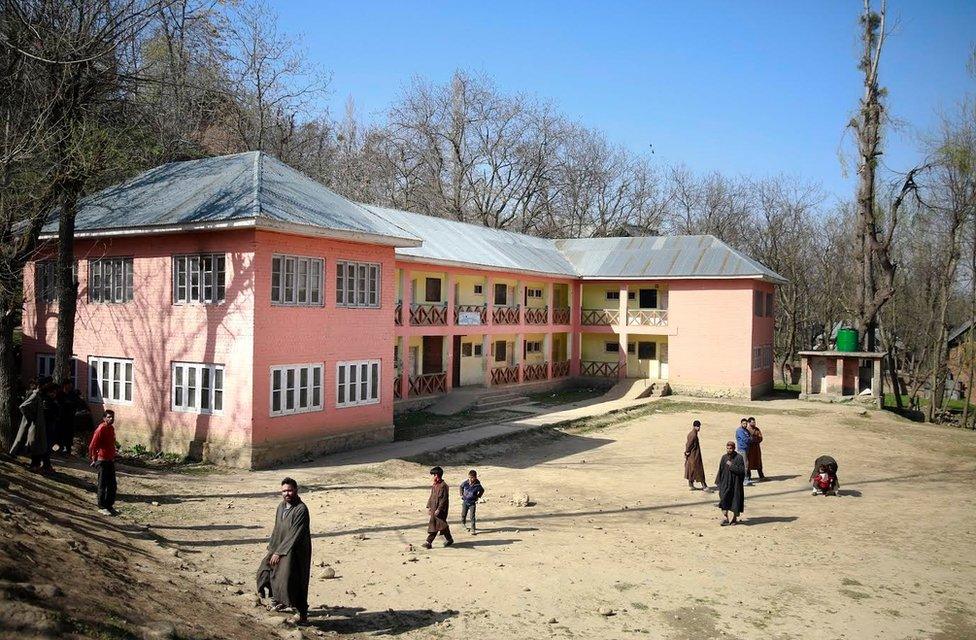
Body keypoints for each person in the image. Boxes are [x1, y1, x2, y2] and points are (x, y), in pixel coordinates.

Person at [256, 478, 311, 624]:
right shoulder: (281, 507)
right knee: (265, 570)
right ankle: (277, 600)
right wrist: (272, 548)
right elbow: (277, 529)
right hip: (279, 547)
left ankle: (301, 613)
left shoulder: (301, 509)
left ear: (296, 490)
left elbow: (294, 533)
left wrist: (279, 553)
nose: (287, 493)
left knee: (292, 579)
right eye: (284, 491)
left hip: (296, 551)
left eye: (290, 490)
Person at [10, 379, 53, 472]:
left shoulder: (40, 396)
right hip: (35, 426)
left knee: (40, 446)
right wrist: (32, 417)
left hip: (39, 426)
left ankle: (44, 465)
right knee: (36, 445)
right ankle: (35, 466)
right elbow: (23, 406)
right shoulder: (35, 395)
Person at [88, 410, 118, 515]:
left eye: (112, 417)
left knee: (112, 485)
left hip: (110, 460)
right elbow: (93, 445)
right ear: (104, 418)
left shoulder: (111, 428)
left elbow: (111, 443)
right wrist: (93, 458)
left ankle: (109, 506)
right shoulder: (101, 429)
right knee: (102, 484)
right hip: (102, 460)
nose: (111, 419)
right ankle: (101, 506)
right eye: (109, 417)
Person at [715, 441, 746, 526]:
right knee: (723, 499)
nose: (729, 450)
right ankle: (725, 517)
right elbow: (720, 470)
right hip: (725, 483)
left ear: (734, 448)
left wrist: (732, 466)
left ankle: (734, 518)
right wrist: (718, 482)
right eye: (728, 448)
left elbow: (742, 471)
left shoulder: (739, 458)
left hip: (735, 484)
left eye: (731, 448)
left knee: (735, 501)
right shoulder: (724, 457)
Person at [424, 466, 453, 548]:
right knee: (441, 525)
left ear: (437, 475)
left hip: (441, 510)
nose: (433, 477)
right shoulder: (434, 485)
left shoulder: (444, 486)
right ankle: (449, 539)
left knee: (437, 525)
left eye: (434, 475)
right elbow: (431, 496)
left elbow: (444, 499)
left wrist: (439, 509)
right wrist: (429, 507)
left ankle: (428, 542)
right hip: (434, 508)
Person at [55, 381, 83, 456]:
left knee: (69, 435)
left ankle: (68, 450)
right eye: (68, 385)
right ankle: (60, 448)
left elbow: (77, 403)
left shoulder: (72, 394)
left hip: (70, 418)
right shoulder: (60, 394)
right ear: (64, 385)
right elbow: (57, 404)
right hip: (61, 418)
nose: (70, 387)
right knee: (60, 434)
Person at [684, 420, 707, 490]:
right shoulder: (693, 435)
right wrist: (687, 452)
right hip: (694, 456)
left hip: (693, 455)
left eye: (699, 426)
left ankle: (691, 485)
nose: (699, 428)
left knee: (691, 470)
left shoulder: (693, 433)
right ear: (695, 426)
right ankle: (704, 486)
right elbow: (688, 444)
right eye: (698, 426)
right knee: (699, 470)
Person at [459, 470, 485, 534]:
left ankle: (473, 529)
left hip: (472, 503)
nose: (470, 479)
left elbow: (482, 490)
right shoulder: (466, 483)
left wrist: (478, 496)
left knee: (472, 516)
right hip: (465, 501)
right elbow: (461, 487)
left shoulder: (477, 485)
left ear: (475, 477)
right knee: (463, 514)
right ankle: (463, 523)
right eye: (469, 477)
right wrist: (461, 494)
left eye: (472, 477)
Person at [735, 418, 753, 486]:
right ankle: (744, 479)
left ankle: (746, 478)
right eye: (743, 423)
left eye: (746, 424)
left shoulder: (746, 430)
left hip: (747, 449)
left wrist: (749, 438)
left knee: (746, 464)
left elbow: (751, 438)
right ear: (741, 423)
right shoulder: (739, 430)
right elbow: (745, 439)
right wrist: (749, 439)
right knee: (745, 464)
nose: (745, 425)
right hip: (742, 449)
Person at [746, 417, 765, 481]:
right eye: (752, 422)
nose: (754, 423)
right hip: (750, 449)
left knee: (758, 462)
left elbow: (760, 438)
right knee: (749, 462)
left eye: (754, 422)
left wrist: (755, 440)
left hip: (756, 449)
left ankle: (761, 475)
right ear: (749, 423)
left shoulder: (757, 429)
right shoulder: (746, 430)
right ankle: (748, 476)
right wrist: (751, 440)